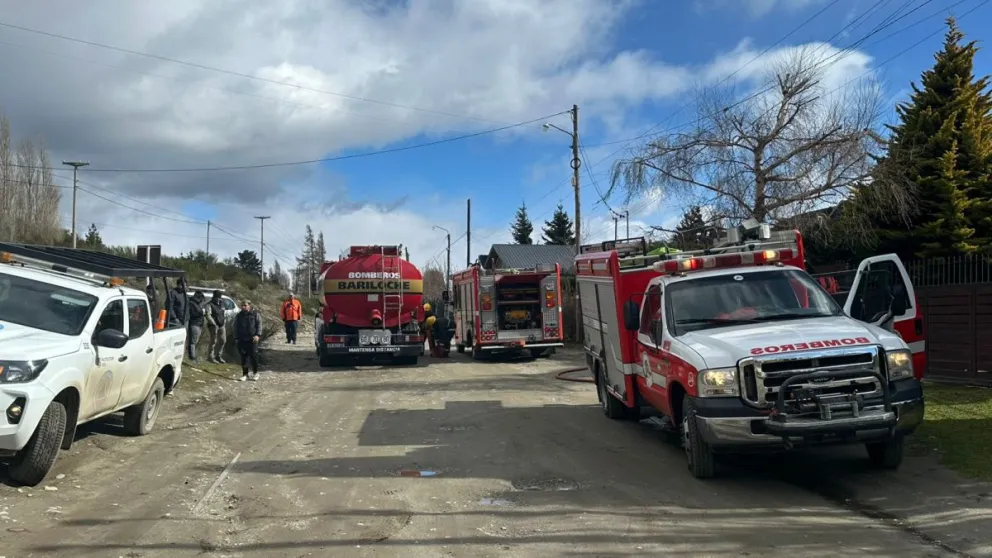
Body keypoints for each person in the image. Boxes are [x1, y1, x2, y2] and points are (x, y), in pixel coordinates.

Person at [233, 299, 262, 381]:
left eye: (245, 305)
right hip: (242, 339)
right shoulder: (239, 315)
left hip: (252, 339)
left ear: (249, 305)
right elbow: (235, 327)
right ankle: (245, 374)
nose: (243, 307)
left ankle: (256, 373)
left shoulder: (255, 314)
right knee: (243, 357)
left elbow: (259, 325)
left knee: (253, 356)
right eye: (242, 305)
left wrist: (257, 335)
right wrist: (236, 337)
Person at [205, 290, 227, 363]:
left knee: (223, 340)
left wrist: (224, 321)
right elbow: (208, 315)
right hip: (213, 325)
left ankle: (218, 356)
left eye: (219, 298)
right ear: (214, 297)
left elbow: (223, 313)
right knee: (213, 341)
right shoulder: (209, 304)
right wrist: (214, 324)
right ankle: (210, 357)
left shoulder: (222, 304)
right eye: (217, 298)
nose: (218, 299)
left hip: (221, 325)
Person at [186, 291, 206, 364]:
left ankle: (192, 355)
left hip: (199, 324)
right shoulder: (191, 303)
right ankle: (192, 357)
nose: (201, 301)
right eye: (201, 299)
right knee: (193, 342)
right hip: (194, 324)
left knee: (195, 341)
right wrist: (201, 313)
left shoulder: (197, 304)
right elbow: (193, 314)